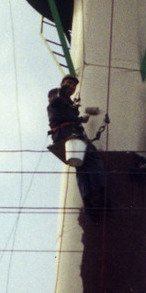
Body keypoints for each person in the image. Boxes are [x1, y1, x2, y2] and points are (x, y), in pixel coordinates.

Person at [47, 74, 106, 216]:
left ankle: (89, 199)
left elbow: (65, 113)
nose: (72, 87)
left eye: (74, 85)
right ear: (62, 83)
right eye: (69, 83)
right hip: (66, 134)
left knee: (82, 166)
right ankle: (98, 193)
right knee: (94, 159)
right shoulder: (57, 94)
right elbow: (54, 102)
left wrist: (78, 118)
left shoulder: (68, 103)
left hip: (70, 133)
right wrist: (64, 90)